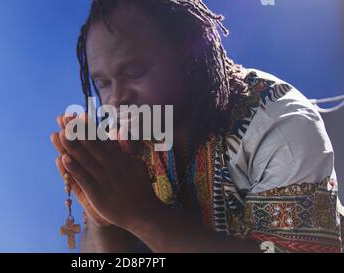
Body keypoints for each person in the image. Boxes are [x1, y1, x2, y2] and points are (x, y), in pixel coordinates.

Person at [51, 0, 343, 253]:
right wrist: (104, 218)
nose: (116, 100)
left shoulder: (279, 124)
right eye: (103, 83)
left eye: (133, 72)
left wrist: (144, 216)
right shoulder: (123, 135)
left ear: (187, 51)